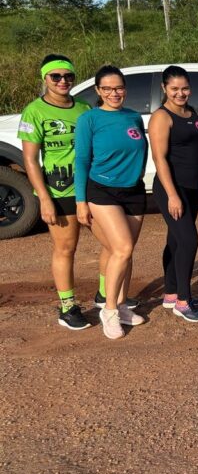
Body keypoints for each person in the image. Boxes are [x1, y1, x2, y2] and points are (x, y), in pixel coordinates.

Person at [17, 54, 102, 329]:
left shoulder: (84, 107)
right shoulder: (34, 111)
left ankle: (106, 294)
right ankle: (68, 306)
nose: (63, 81)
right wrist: (43, 198)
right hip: (59, 188)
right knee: (66, 247)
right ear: (45, 79)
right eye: (56, 76)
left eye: (68, 76)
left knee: (112, 242)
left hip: (90, 185)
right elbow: (30, 159)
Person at [73, 66, 147, 340]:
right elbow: (81, 160)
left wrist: (137, 173)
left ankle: (124, 304)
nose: (114, 93)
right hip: (102, 190)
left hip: (134, 191)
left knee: (127, 252)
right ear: (98, 91)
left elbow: (142, 147)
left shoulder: (133, 117)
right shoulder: (89, 119)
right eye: (108, 89)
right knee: (122, 247)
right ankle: (110, 310)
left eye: (119, 88)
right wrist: (81, 201)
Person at [148, 65, 198, 322]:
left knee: (175, 239)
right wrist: (172, 194)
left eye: (184, 88)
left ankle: (170, 292)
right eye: (174, 89)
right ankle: (184, 300)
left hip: (193, 186)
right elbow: (159, 159)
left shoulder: (193, 113)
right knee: (189, 240)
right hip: (172, 187)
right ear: (164, 88)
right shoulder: (161, 117)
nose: (180, 93)